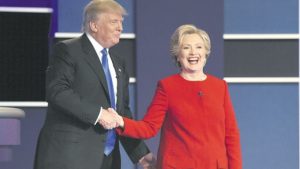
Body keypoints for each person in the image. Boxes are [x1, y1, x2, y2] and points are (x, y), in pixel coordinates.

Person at [33, 1, 155, 169]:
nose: (120, 28)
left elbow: (121, 113)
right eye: (114, 22)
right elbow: (57, 92)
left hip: (108, 160)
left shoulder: (119, 63)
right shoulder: (67, 50)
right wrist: (99, 114)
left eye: (121, 23)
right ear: (94, 25)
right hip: (70, 157)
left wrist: (140, 153)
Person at [107, 24, 242, 169]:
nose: (193, 52)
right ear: (178, 55)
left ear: (206, 52)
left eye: (198, 47)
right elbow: (149, 127)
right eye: (186, 47)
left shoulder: (220, 87)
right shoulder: (167, 87)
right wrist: (120, 121)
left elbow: (231, 135)